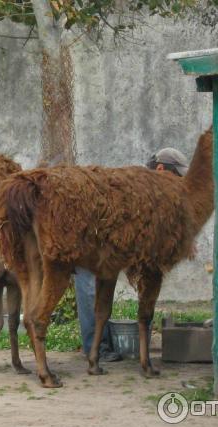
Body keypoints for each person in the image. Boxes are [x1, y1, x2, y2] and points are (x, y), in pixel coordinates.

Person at [74, 147, 190, 361]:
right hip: (89, 240)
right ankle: (97, 349)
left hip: (106, 247)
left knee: (99, 291)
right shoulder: (139, 185)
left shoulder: (149, 189)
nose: (178, 184)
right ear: (162, 169)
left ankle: (100, 346)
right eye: (176, 176)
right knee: (91, 289)